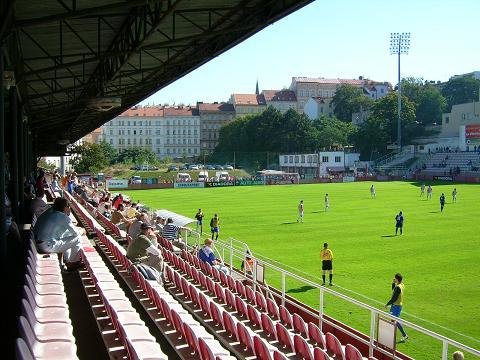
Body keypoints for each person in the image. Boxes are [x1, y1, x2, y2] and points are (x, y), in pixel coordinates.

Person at [33, 197, 84, 271]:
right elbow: (76, 233)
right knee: (78, 237)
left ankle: (67, 260)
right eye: (68, 206)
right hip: (46, 245)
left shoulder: (49, 212)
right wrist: (82, 231)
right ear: (64, 207)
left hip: (39, 243)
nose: (69, 208)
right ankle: (72, 262)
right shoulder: (62, 216)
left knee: (66, 235)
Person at [384, 273, 408, 342]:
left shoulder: (398, 287)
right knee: (393, 320)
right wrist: (393, 283)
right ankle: (401, 335)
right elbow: (394, 291)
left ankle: (404, 335)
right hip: (397, 305)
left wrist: (387, 304)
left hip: (396, 306)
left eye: (395, 278)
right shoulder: (401, 285)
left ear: (397, 279)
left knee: (395, 320)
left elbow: (394, 298)